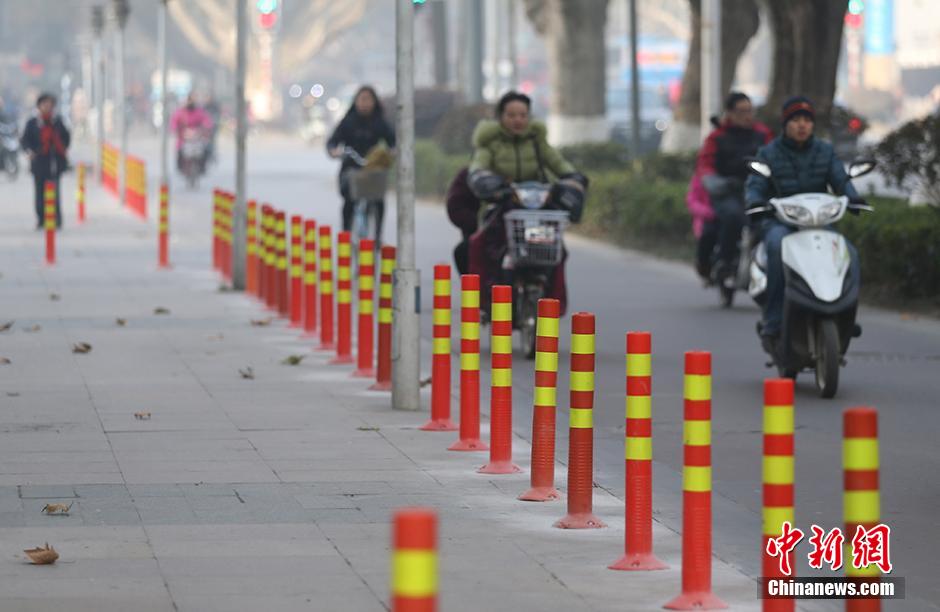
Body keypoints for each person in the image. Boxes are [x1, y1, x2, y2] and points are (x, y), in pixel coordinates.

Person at [745, 95, 863, 354]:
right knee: (776, 246)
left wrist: (853, 198)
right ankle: (774, 320)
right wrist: (755, 202)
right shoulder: (769, 153)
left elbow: (840, 181)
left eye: (807, 120)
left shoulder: (825, 151)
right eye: (796, 120)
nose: (802, 125)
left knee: (849, 254)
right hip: (780, 223)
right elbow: (755, 186)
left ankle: (846, 317)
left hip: (818, 224)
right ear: (785, 123)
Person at [465, 91, 587, 313]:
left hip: (537, 209)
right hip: (502, 207)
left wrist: (573, 178)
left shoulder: (537, 142)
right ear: (500, 117)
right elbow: (478, 167)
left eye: (522, 115)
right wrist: (485, 180)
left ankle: (553, 303)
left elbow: (559, 164)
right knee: (479, 245)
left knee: (557, 251)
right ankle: (484, 299)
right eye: (511, 115)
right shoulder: (489, 144)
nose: (517, 120)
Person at [694, 92, 772, 282]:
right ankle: (724, 262)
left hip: (757, 190)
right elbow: (705, 166)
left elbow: (774, 159)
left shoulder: (763, 134)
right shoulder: (717, 137)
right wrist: (716, 182)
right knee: (732, 217)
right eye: (741, 111)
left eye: (749, 110)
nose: (747, 115)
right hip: (727, 192)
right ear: (729, 113)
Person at [327, 86, 396, 238]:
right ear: (356, 101)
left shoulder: (380, 122)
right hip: (351, 167)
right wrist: (334, 151)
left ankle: (377, 236)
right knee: (349, 200)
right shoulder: (348, 121)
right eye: (362, 99)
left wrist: (392, 150)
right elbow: (332, 141)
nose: (365, 103)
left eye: (368, 99)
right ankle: (346, 234)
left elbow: (393, 140)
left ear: (374, 102)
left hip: (372, 168)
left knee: (378, 199)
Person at [20, 93, 70, 229]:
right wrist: (29, 152)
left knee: (55, 192)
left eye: (50, 104)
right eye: (45, 104)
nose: (47, 107)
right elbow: (25, 140)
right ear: (39, 106)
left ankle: (57, 219)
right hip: (38, 163)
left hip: (54, 163)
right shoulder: (32, 123)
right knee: (39, 192)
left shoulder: (57, 121)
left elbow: (66, 138)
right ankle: (41, 218)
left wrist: (63, 148)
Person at [170, 95, 213, 172]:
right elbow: (174, 122)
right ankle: (181, 168)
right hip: (183, 138)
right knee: (179, 151)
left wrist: (206, 128)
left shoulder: (199, 112)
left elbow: (206, 120)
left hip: (197, 137)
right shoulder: (180, 112)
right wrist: (176, 129)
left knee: (206, 149)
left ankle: (202, 167)